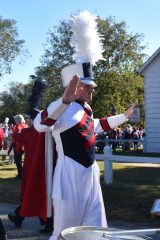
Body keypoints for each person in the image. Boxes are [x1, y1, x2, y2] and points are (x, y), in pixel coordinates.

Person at [34, 74, 137, 240]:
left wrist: (124, 117)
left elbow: (97, 125)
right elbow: (39, 124)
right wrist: (63, 101)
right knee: (65, 231)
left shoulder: (85, 109)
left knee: (95, 228)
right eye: (88, 86)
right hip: (68, 175)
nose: (92, 89)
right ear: (76, 86)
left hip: (90, 174)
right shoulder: (62, 106)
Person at [8, 111, 54, 234]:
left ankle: (21, 217)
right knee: (42, 194)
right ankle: (43, 220)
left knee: (32, 194)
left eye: (29, 118)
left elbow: (15, 136)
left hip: (32, 167)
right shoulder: (48, 131)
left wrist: (21, 125)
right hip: (47, 166)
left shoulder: (27, 131)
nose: (28, 120)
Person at [11, 115, 28, 179]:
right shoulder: (25, 125)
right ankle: (23, 174)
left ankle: (20, 174)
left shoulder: (18, 126)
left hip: (18, 145)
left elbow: (16, 136)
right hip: (24, 145)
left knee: (18, 160)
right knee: (23, 160)